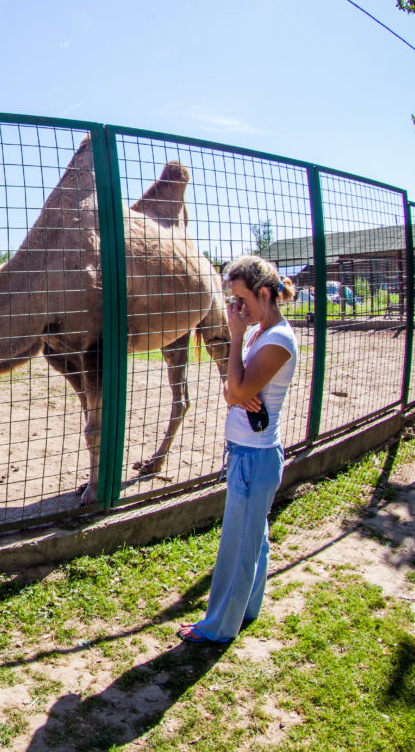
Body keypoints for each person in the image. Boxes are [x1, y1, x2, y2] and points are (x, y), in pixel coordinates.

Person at [177, 257, 297, 645]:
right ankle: (246, 608)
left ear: (265, 294)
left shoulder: (276, 339)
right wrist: (238, 387)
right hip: (248, 455)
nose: (236, 309)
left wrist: (233, 338)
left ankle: (218, 627)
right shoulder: (261, 333)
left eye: (241, 300)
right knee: (254, 538)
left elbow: (235, 392)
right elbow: (237, 391)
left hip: (255, 457)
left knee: (238, 547)